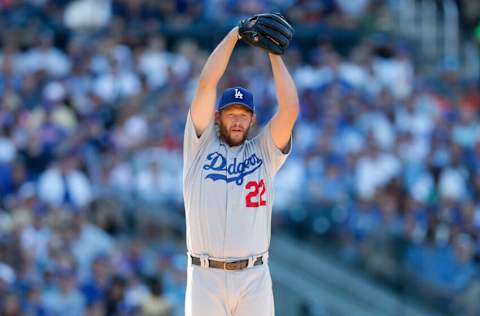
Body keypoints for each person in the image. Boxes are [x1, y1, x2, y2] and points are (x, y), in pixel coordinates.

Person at [182, 15, 299, 316]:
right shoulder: (199, 145)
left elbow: (290, 109)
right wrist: (235, 34)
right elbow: (207, 83)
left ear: (252, 120)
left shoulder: (264, 152)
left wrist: (274, 55)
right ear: (217, 117)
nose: (237, 119)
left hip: (254, 276)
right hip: (205, 275)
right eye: (230, 113)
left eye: (243, 114)